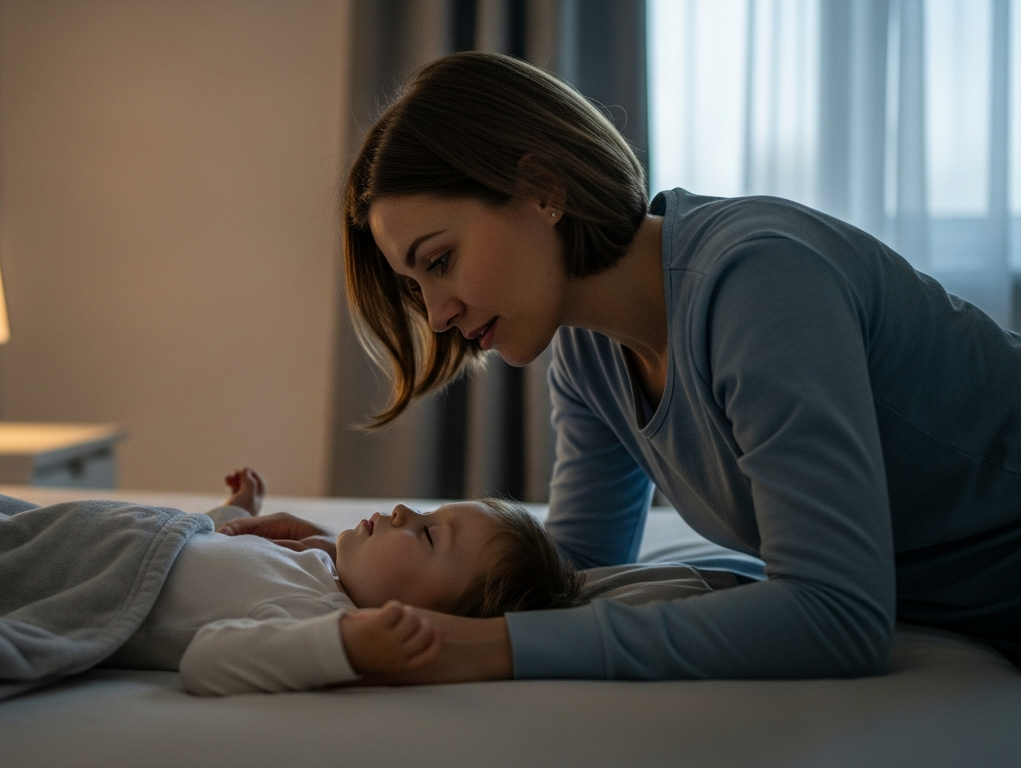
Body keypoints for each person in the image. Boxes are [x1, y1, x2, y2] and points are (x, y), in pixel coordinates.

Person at [223, 51, 1021, 682]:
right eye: (415, 284)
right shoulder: (587, 350)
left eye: (440, 261)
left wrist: (489, 649)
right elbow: (574, 567)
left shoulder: (760, 285)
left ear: (542, 189)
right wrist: (358, 561)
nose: (436, 315)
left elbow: (838, 616)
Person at [140, 467, 586, 694]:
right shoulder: (324, 566)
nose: (403, 511)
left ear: (422, 617)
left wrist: (343, 647)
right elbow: (209, 547)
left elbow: (205, 660)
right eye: (427, 513)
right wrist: (235, 512)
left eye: (429, 534)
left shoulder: (318, 617)